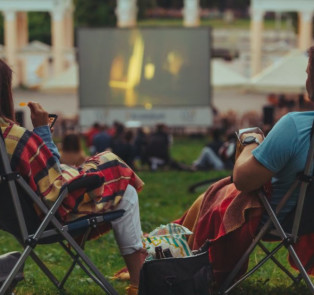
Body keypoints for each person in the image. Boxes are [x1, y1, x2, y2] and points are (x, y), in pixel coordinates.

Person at [0, 59, 144, 295]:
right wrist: (43, 132)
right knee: (124, 189)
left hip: (14, 221)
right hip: (47, 219)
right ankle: (139, 284)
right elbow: (56, 188)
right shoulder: (15, 139)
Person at [175, 46, 314, 289]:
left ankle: (183, 261)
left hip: (275, 219)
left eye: (308, 71)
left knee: (216, 195)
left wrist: (251, 143)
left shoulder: (295, 127)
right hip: (308, 221)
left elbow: (244, 180)